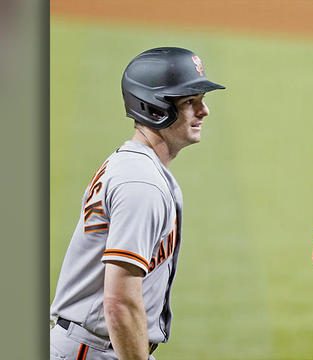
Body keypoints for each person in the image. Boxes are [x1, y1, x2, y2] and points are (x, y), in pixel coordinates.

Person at [50, 47, 224, 360]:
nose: (204, 111)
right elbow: (119, 302)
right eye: (190, 102)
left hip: (99, 344)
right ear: (155, 107)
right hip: (94, 349)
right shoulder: (141, 183)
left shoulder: (137, 167)